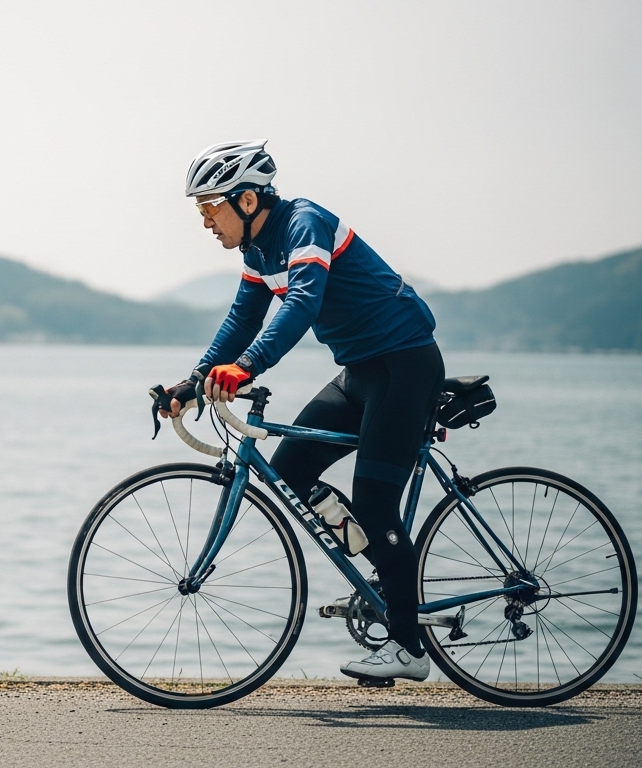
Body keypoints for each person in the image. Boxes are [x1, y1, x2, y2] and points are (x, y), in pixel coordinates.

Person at [160, 140, 444, 682]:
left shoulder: (303, 224)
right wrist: (194, 382)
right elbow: (243, 319)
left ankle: (409, 649)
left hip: (405, 365)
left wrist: (246, 368)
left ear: (246, 201)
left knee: (377, 502)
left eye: (208, 208)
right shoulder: (257, 251)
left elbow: (302, 302)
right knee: (288, 472)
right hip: (361, 372)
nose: (204, 222)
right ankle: (379, 560)